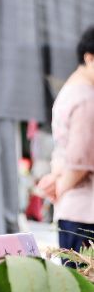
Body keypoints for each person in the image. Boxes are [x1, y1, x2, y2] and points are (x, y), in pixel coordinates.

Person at [38, 26, 94, 254]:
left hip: (72, 208)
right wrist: (58, 188)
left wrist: (56, 183)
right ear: (89, 58)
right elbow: (81, 162)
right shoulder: (87, 99)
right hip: (85, 212)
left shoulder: (69, 92)